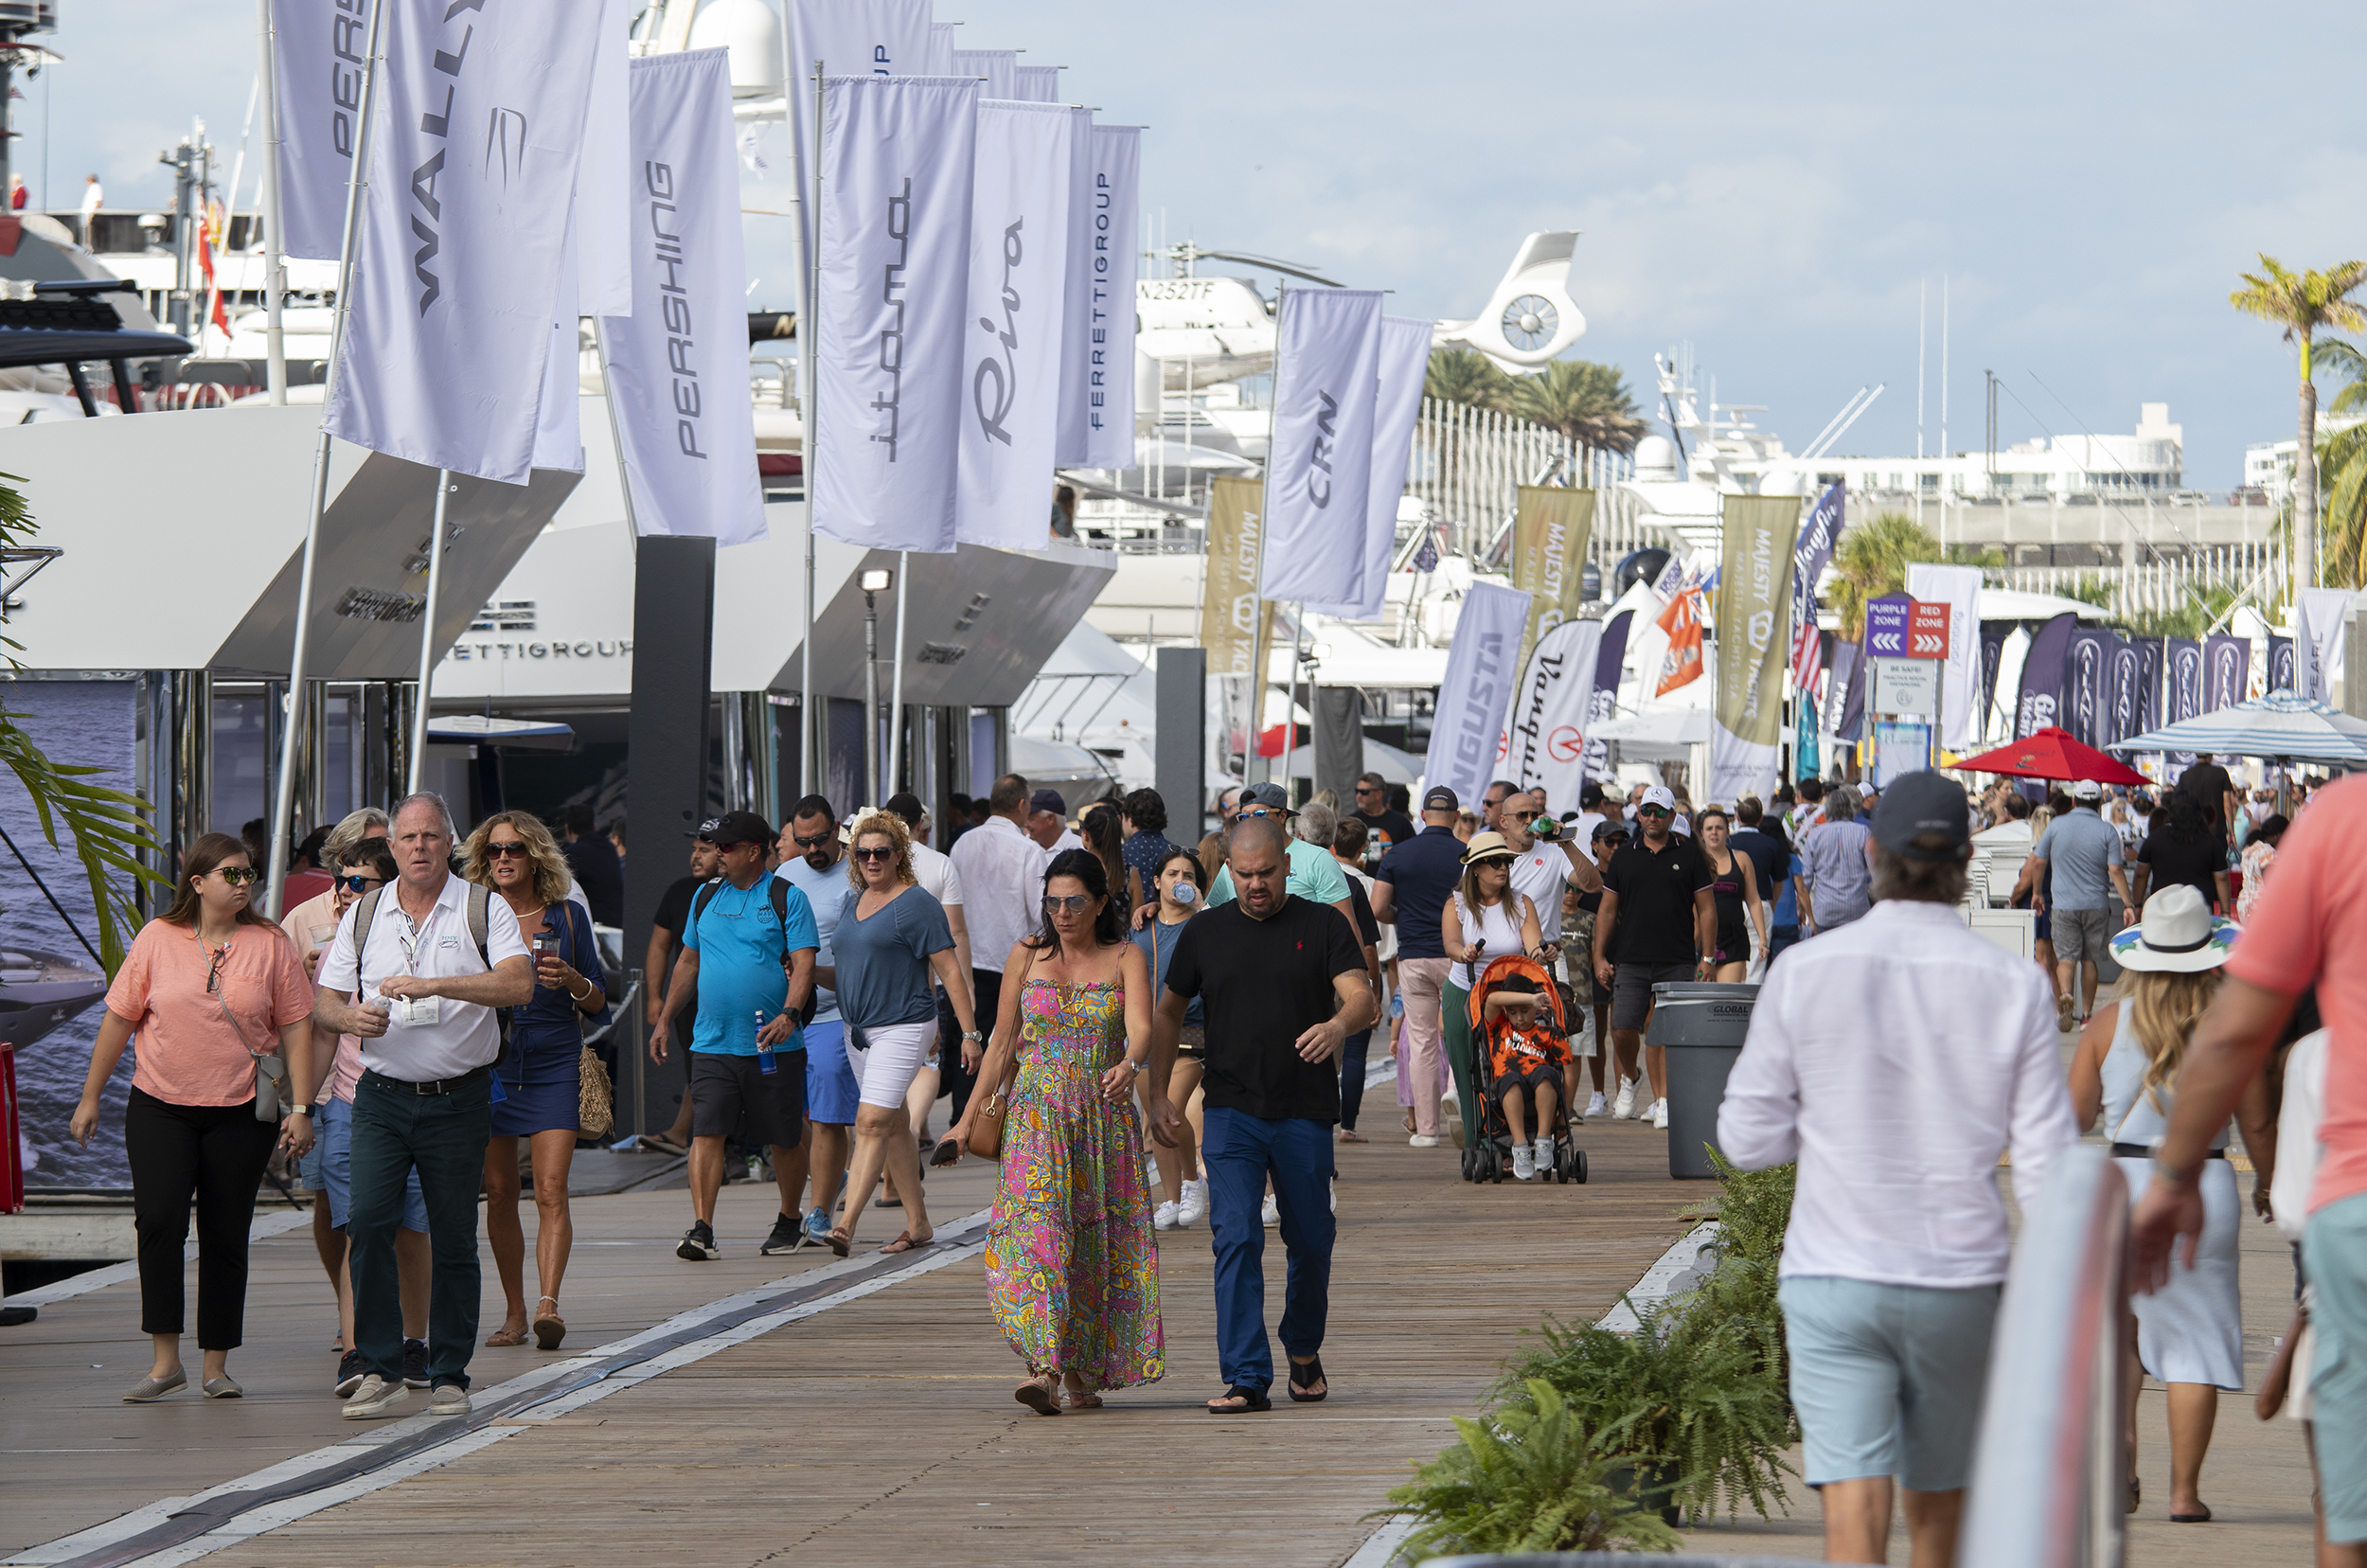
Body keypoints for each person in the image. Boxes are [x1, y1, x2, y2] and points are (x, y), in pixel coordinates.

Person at [1718, 772, 2079, 1568]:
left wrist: (1831, 1126)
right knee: (1941, 1522)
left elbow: (1746, 1137)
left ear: (1873, 853)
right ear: (1966, 862)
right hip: (1959, 1273)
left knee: (1852, 1516)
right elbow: (2049, 1169)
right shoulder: (2015, 985)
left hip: (1832, 1270)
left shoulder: (1804, 972)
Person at [2130, 771, 2367, 1566]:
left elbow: (2238, 1040)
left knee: (2350, 1492)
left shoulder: (2340, 820)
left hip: (2357, 1202)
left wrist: (2172, 1179)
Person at [69, 833, 316, 1402]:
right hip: (160, 1105)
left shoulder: (270, 943)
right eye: (229, 873)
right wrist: (89, 1097)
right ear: (198, 882)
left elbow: (297, 1026)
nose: (242, 883)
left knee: (226, 1234)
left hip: (240, 1110)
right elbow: (118, 1020)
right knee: (159, 1223)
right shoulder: (157, 938)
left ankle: (214, 1365)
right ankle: (165, 1363)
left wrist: (300, 1108)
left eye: (247, 874)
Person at [311, 793, 534, 1420]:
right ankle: (379, 1365)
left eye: (430, 837)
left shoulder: (481, 907)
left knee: (454, 1236)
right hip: (380, 1095)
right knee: (370, 1224)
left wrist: (435, 983)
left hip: (458, 1097)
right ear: (394, 846)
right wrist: (348, 1015)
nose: (417, 848)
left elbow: (519, 983)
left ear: (450, 843)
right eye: (407, 838)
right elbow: (325, 1003)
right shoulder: (367, 913)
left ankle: (447, 1373)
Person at [1147, 816, 1375, 1413]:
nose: (1255, 885)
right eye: (1243, 874)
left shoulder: (1322, 922)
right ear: (1227, 870)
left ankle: (1302, 1349)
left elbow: (1362, 995)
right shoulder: (1206, 932)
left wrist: (1336, 1024)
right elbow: (1167, 1013)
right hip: (1230, 1110)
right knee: (1236, 1236)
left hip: (1303, 1110)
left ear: (1288, 866)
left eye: (1266, 873)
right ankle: (1246, 1376)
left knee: (1311, 1240)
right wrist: (1158, 1096)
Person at [2068, 886, 2260, 1524]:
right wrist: (2266, 1180)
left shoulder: (2106, 1025)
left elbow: (2075, 1116)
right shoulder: (2233, 1027)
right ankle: (2184, 1493)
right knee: (2194, 1342)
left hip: (2122, 1182)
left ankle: (2121, 1451)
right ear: (2210, 958)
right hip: (2202, 1182)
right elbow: (2256, 1123)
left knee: (2123, 1331)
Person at [949, 847, 1163, 1413]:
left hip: (1101, 1119)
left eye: (1074, 901)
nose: (1062, 912)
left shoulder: (1126, 955)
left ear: (1097, 904)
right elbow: (1000, 1047)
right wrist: (964, 1122)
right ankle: (1043, 1368)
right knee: (1036, 1238)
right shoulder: (1027, 954)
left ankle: (1080, 1369)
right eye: (1053, 901)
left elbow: (1141, 1029)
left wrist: (1130, 1064)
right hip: (1035, 1120)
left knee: (1093, 1247)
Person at [289, 836, 434, 1398]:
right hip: (353, 1102)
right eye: (340, 881)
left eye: (358, 882)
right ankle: (357, 1351)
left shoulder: (420, 938)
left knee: (412, 1230)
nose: (343, 893)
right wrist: (304, 1107)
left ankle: (414, 1342)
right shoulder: (335, 946)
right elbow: (324, 1028)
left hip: (426, 1097)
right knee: (361, 1226)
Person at [464, 811, 606, 1352]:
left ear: (536, 857)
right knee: (499, 1192)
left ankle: (548, 1303)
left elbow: (599, 1002)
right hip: (491, 1063)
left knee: (550, 1188)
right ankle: (515, 1312)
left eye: (515, 850)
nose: (504, 858)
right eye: (496, 850)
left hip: (553, 1061)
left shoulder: (567, 917)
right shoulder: (473, 918)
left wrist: (572, 979)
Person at [651, 811, 817, 1262]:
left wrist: (789, 1013)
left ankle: (789, 1220)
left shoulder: (787, 896)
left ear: (753, 851)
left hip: (773, 1042)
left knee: (783, 1137)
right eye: (714, 847)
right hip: (711, 1041)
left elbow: (803, 964)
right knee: (707, 1132)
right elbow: (688, 961)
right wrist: (665, 1018)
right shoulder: (705, 897)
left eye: (725, 847)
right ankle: (702, 1228)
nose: (716, 854)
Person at [825, 811, 981, 1255]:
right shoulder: (850, 901)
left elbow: (950, 972)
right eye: (863, 853)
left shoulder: (917, 904)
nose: (872, 860)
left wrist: (970, 1034)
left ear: (899, 855)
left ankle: (845, 1223)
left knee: (870, 1121)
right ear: (854, 857)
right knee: (892, 1124)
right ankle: (919, 1223)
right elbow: (849, 970)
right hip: (856, 1028)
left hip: (905, 1024)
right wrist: (801, 975)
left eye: (881, 852)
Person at [1592, 785, 1716, 1130]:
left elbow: (1706, 909)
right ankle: (1631, 1076)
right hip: (1630, 957)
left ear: (1672, 816)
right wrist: (1599, 956)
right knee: (1621, 1030)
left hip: (1676, 958)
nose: (1651, 818)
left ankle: (1664, 1100)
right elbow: (1606, 910)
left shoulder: (1690, 855)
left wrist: (1707, 957)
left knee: (1667, 1033)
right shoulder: (1624, 855)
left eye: (1659, 812)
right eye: (1646, 811)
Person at [773, 797, 858, 1248]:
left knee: (827, 1116)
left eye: (820, 839)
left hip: (834, 1011)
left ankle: (821, 1210)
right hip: (786, 1010)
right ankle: (834, 1173)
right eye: (802, 842)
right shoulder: (786, 876)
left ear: (838, 829)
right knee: (781, 1111)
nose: (811, 850)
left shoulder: (856, 874)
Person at [952, 775, 1048, 1137]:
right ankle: (994, 1116)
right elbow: (1040, 911)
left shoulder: (962, 844)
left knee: (969, 1036)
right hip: (1010, 957)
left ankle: (963, 1113)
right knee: (1007, 1043)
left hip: (965, 957)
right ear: (1022, 805)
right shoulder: (1028, 850)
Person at [1372, 786, 1468, 1149]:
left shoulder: (1398, 853)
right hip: (1457, 955)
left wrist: (1404, 918)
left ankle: (1426, 1130)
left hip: (1413, 955)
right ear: (1456, 817)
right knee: (1461, 1032)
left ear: (1423, 815)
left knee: (1423, 1039)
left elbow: (1378, 908)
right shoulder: (1467, 855)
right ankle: (1458, 1092)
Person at [881, 793, 973, 1151]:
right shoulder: (939, 864)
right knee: (928, 1059)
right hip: (928, 983)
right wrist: (963, 985)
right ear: (921, 825)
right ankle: (913, 1127)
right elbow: (957, 932)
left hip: (879, 985)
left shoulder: (868, 860)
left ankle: (905, 1131)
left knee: (890, 1062)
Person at [1442, 831, 1544, 1146]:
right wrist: (1464, 953)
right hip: (1465, 990)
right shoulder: (1457, 903)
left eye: (1507, 861)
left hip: (1510, 997)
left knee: (1507, 1068)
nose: (1503, 867)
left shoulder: (1520, 902)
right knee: (1469, 1071)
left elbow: (1534, 944)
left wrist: (1543, 952)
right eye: (1494, 861)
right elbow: (1451, 944)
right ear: (1475, 868)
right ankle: (1478, 1143)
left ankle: (1512, 1138)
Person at [2014, 778, 2137, 1031]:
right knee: (2090, 959)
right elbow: (2115, 869)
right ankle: (2087, 1016)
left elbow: (2037, 862)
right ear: (2100, 803)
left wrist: (2037, 893)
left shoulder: (2057, 825)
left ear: (2073, 801)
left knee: (2066, 958)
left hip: (2063, 905)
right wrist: (2128, 904)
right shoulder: (2107, 830)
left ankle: (2066, 996)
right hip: (2096, 904)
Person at [1134, 847, 1212, 1229]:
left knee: (1172, 1109)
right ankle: (1170, 1197)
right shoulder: (1140, 927)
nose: (1180, 881)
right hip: (1147, 1031)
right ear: (1156, 881)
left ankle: (1192, 1179)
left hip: (1193, 1029)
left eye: (1188, 875)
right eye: (1172, 874)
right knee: (1156, 1113)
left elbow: (1228, 938)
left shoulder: (1204, 923)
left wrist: (1201, 907)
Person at [638, 835, 721, 1158]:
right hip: (690, 1001)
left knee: (719, 1072)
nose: (696, 857)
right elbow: (660, 946)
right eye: (694, 850)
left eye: (705, 850)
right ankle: (686, 1135)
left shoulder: (737, 890)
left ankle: (709, 1142)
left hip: (733, 1000)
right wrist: (655, 998)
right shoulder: (681, 891)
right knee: (699, 1070)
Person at [1330, 816, 1390, 1144]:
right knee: (1353, 1054)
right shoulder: (1365, 885)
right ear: (1363, 848)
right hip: (1353, 979)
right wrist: (1374, 993)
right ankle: (1347, 1125)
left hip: (1322, 980)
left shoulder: (1309, 876)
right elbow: (1373, 947)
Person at [1478, 971, 1569, 1180]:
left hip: (1540, 1088)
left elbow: (1569, 1070)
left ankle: (1544, 1140)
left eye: (1526, 1010)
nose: (1519, 1018)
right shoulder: (1498, 1027)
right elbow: (1491, 999)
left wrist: (1565, 1113)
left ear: (1537, 1010)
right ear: (1505, 1012)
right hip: (1507, 1090)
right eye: (1513, 1012)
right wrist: (1530, 999)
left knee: (1547, 1073)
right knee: (1511, 1080)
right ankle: (1521, 1149)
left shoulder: (1548, 1033)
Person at [1697, 807, 1770, 982]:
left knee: (1725, 998)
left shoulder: (1741, 859)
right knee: (1702, 999)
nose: (1714, 833)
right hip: (1701, 939)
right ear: (1702, 833)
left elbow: (1753, 900)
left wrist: (1762, 938)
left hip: (1733, 939)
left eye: (1719, 828)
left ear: (1728, 832)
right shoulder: (1695, 860)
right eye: (1709, 828)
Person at [2132, 789, 2233, 915]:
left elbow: (2141, 874)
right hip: (2200, 910)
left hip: (2162, 909)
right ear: (2198, 812)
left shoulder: (2155, 838)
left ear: (2172, 811)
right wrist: (2226, 911)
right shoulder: (2210, 842)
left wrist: (2137, 905)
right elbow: (2222, 878)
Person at [1797, 786, 1875, 937]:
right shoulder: (1862, 832)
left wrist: (1800, 907)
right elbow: (1876, 871)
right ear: (1849, 808)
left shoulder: (1815, 835)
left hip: (1825, 912)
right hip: (1857, 910)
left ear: (1828, 809)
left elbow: (1805, 879)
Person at [557, 803, 624, 927]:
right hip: (616, 922)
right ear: (594, 827)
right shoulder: (609, 849)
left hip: (591, 925)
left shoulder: (571, 854)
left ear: (567, 829)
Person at [1119, 787, 1180, 914]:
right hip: (1167, 924)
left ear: (1130, 819)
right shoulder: (1176, 854)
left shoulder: (1121, 853)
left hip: (1130, 928)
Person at [2177, 753, 2241, 849]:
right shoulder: (2221, 773)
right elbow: (2227, 804)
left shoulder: (2185, 776)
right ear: (2210, 756)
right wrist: (2231, 832)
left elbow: (2179, 804)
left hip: (2191, 831)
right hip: (2216, 831)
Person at [2235, 811, 2288, 924]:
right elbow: (2271, 882)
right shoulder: (2268, 851)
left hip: (2243, 904)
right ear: (2277, 835)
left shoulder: (2250, 849)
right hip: (2260, 906)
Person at [1350, 772, 1416, 858]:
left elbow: (1413, 852)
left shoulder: (1401, 823)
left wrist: (1395, 854)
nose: (1358, 796)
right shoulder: (1351, 822)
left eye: (1364, 792)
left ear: (1378, 794)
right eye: (1357, 791)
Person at [1026, 788, 1083, 856]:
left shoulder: (1079, 849)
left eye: (1031, 819)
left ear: (1050, 818)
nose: (1026, 824)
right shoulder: (1024, 845)